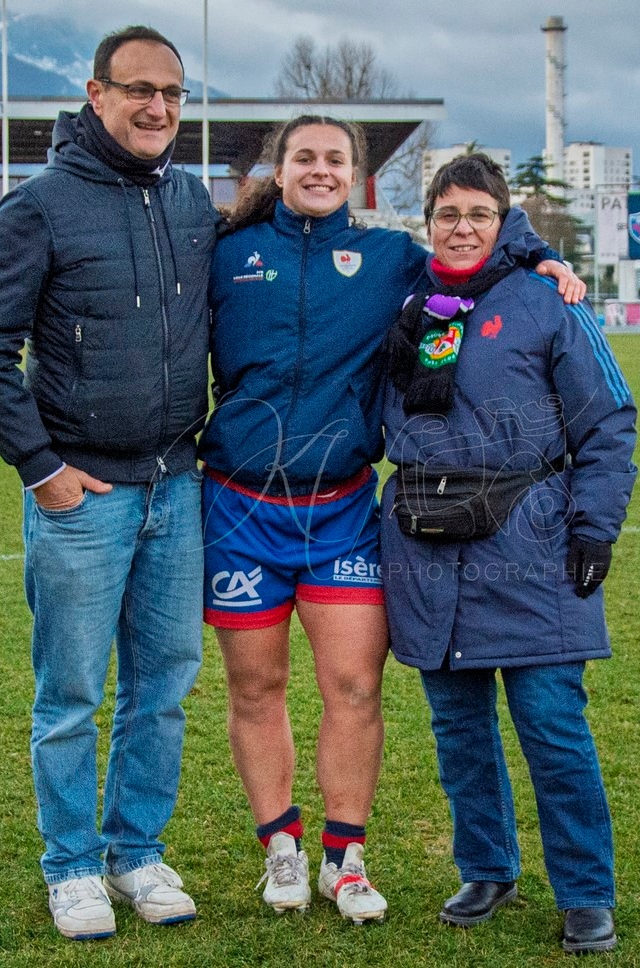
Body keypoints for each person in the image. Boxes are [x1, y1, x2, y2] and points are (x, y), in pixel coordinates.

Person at [200, 121, 584, 923]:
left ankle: (346, 860)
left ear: (358, 177)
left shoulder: (391, 262)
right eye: (304, 157)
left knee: (354, 686)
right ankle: (281, 846)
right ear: (280, 168)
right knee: (257, 686)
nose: (319, 169)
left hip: (342, 508)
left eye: (335, 159)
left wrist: (539, 251)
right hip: (240, 506)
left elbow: (470, 250)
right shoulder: (226, 253)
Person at [0, 25, 218, 941]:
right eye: (138, 89)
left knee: (164, 688)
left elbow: (295, 238)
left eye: (173, 95)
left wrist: (524, 258)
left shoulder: (193, 201)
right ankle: (70, 866)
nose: (156, 108)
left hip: (177, 491)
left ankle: (136, 853)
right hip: (83, 500)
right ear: (95, 95)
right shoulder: (39, 207)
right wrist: (44, 471)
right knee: (70, 691)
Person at [379, 154, 638, 955]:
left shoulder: (545, 300)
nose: (462, 227)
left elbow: (609, 421)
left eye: (479, 215)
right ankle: (487, 866)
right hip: (427, 542)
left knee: (552, 725)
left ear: (503, 224)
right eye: (448, 213)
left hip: (530, 542)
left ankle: (586, 890)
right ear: (428, 222)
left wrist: (595, 526)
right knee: (458, 730)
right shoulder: (407, 302)